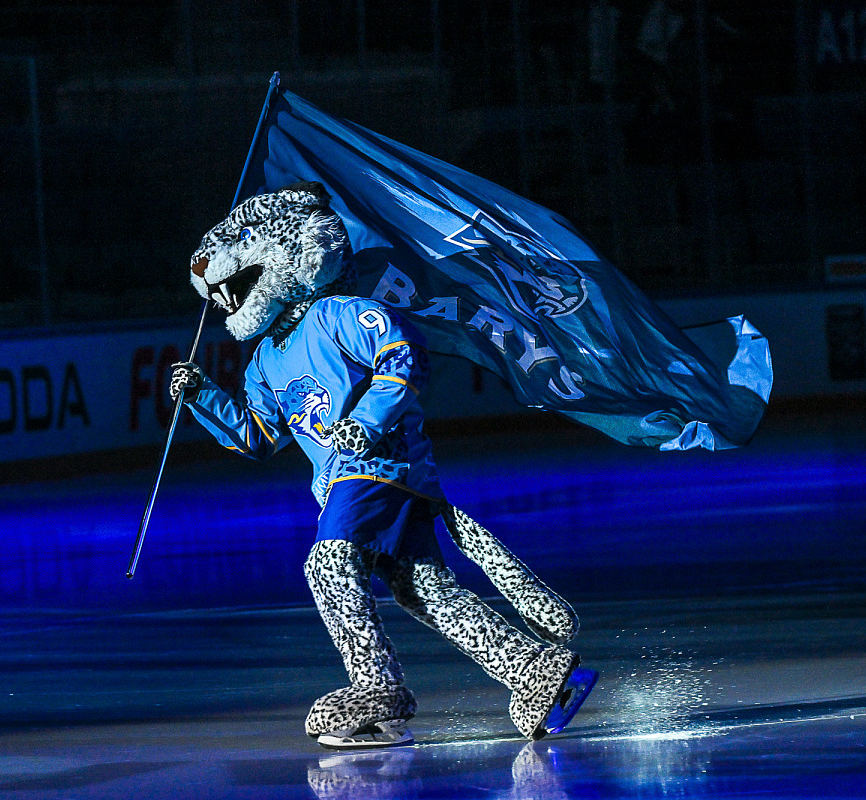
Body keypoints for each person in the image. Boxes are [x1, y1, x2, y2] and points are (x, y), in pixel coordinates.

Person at [170, 182, 592, 748]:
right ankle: (537, 671)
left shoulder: (340, 314)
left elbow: (402, 356)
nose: (223, 297)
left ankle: (377, 690)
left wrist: (367, 422)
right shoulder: (263, 361)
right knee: (423, 589)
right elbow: (259, 437)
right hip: (350, 480)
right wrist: (202, 397)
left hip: (376, 464)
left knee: (329, 563)